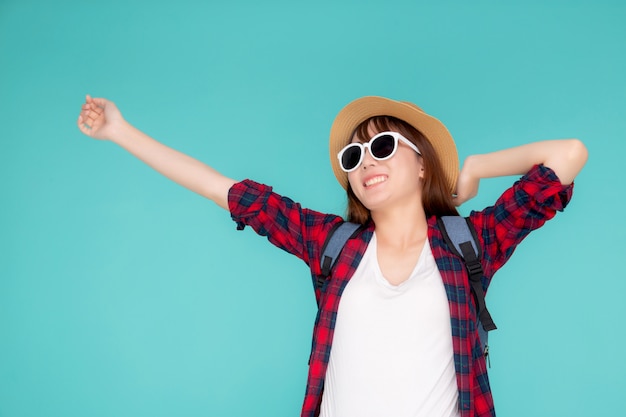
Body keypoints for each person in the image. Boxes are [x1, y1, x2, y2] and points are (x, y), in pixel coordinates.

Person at [77, 94, 588, 417]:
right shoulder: (333, 244)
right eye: (355, 156)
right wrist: (118, 131)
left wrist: (473, 168)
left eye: (384, 146)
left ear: (423, 165)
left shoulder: (467, 244)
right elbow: (220, 187)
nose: (367, 162)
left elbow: (568, 156)